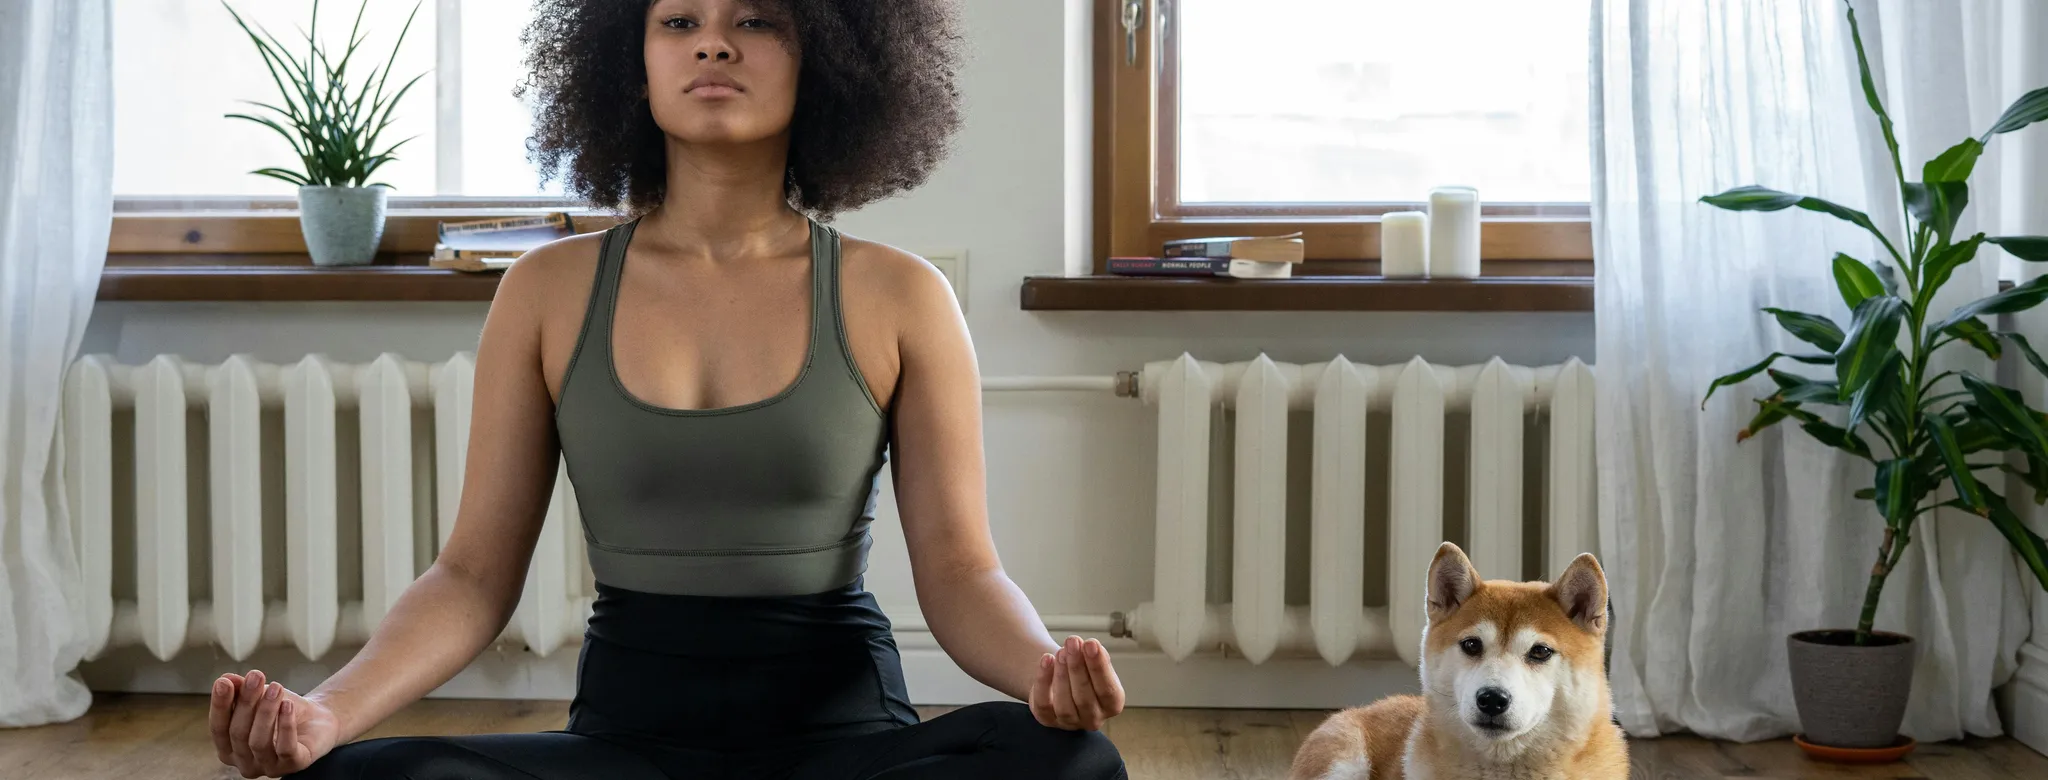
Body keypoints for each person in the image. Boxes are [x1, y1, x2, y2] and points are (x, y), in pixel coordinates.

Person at [205, 1, 1129, 777]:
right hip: (625, 744)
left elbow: (963, 574)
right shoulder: (546, 290)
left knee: (1074, 763)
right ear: (629, 62)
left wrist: (1045, 669)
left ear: (832, 57)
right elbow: (472, 577)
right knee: (347, 777)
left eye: (756, 20)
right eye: (678, 18)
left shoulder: (901, 294)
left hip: (843, 746)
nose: (713, 43)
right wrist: (322, 713)